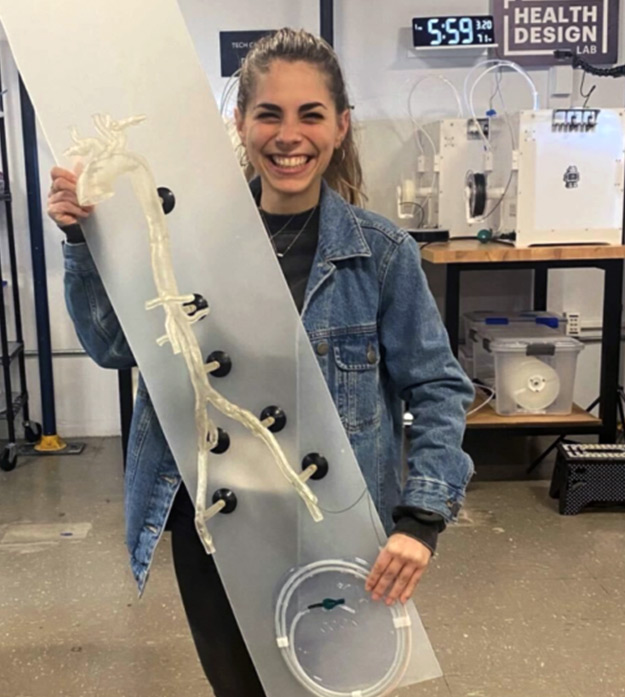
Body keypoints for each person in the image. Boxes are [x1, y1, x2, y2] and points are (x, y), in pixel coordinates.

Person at [48, 28, 474, 697]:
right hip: (217, 523)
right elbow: (111, 348)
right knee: (240, 686)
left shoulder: (381, 253)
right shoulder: (184, 240)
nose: (288, 135)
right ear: (240, 122)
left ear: (340, 126)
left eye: (309, 114)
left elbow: (439, 387)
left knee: (337, 686)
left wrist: (421, 518)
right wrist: (83, 237)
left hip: (335, 519)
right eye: (268, 113)